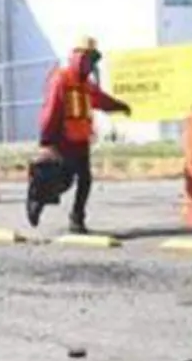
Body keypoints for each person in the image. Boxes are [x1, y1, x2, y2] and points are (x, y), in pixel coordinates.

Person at [31, 37, 131, 234]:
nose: (91, 64)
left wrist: (119, 106)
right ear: (77, 58)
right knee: (63, 181)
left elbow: (100, 100)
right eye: (88, 59)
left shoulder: (87, 85)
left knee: (85, 180)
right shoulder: (61, 79)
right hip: (63, 139)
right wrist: (47, 140)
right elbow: (51, 109)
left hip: (81, 141)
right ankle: (37, 199)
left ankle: (77, 219)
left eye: (93, 60)